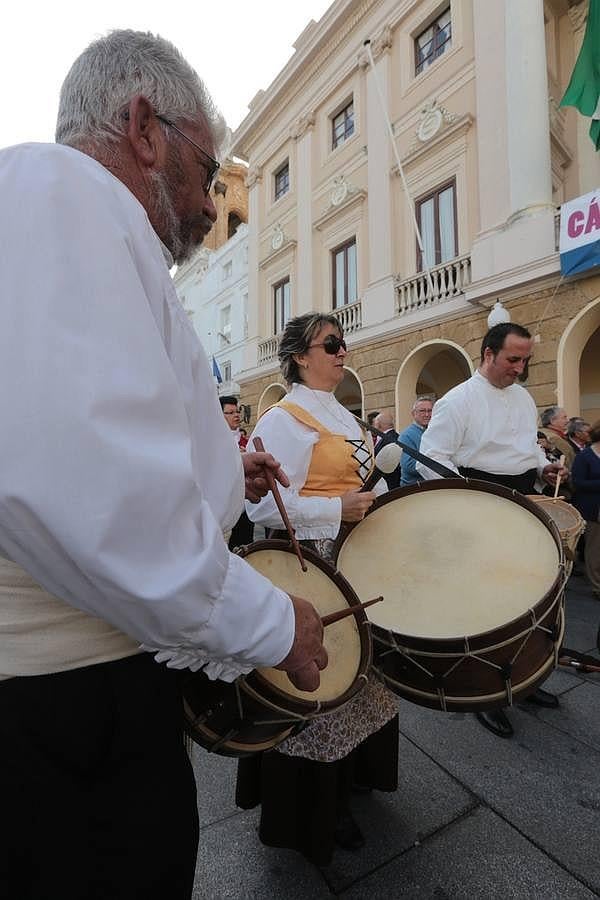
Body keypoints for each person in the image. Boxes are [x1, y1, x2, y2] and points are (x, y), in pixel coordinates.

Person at [0, 31, 327, 900]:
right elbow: (88, 493)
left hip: (81, 699)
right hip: (61, 712)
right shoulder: (61, 191)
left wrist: (227, 471)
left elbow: (97, 426)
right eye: (209, 170)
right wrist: (270, 623)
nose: (214, 205)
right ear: (145, 128)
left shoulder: (74, 215)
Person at [236, 312, 400, 867]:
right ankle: (315, 811)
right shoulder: (284, 417)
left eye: (343, 341)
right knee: (320, 682)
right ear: (300, 356)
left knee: (361, 674)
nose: (342, 350)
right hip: (309, 562)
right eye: (331, 343)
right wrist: (337, 507)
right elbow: (259, 506)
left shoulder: (343, 414)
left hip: (348, 557)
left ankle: (354, 775)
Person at [417, 323, 567, 739]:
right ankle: (488, 693)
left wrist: (543, 467)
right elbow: (429, 461)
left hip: (523, 502)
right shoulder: (456, 401)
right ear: (488, 354)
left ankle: (528, 679)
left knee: (530, 594)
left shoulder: (522, 397)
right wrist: (469, 501)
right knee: (487, 607)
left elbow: (528, 447)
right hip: (477, 504)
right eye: (512, 360)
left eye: (525, 361)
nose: (519, 369)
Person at [220, 395, 254, 548]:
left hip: (245, 504)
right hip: (223, 503)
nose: (237, 415)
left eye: (237, 411)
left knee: (244, 545)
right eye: (231, 412)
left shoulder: (247, 442)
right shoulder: (213, 442)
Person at [571, 421, 600, 598]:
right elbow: (578, 483)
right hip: (593, 508)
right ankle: (597, 586)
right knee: (595, 549)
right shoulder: (585, 456)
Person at [397, 397, 434, 487]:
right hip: (414, 490)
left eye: (430, 411)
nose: (426, 414)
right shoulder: (406, 435)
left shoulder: (435, 432)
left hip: (433, 487)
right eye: (422, 411)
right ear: (414, 414)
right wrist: (437, 461)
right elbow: (408, 466)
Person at [373, 410, 401, 489]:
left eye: (374, 424)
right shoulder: (397, 437)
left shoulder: (387, 439)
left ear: (378, 424)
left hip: (388, 485)